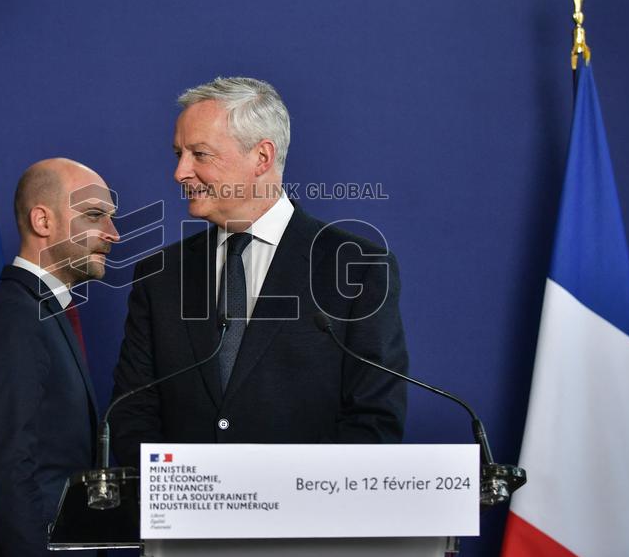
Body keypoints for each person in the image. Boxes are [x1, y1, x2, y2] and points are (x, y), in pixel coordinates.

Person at [109, 77, 408, 468]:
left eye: (200, 154)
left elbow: (374, 419)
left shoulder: (356, 267)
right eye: (178, 154)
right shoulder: (160, 276)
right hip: (185, 522)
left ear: (262, 157)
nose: (180, 172)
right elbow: (133, 414)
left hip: (307, 521)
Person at [0, 158, 118, 557]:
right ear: (43, 220)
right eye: (96, 216)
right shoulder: (14, 318)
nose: (113, 235)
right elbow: (8, 473)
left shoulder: (40, 314)